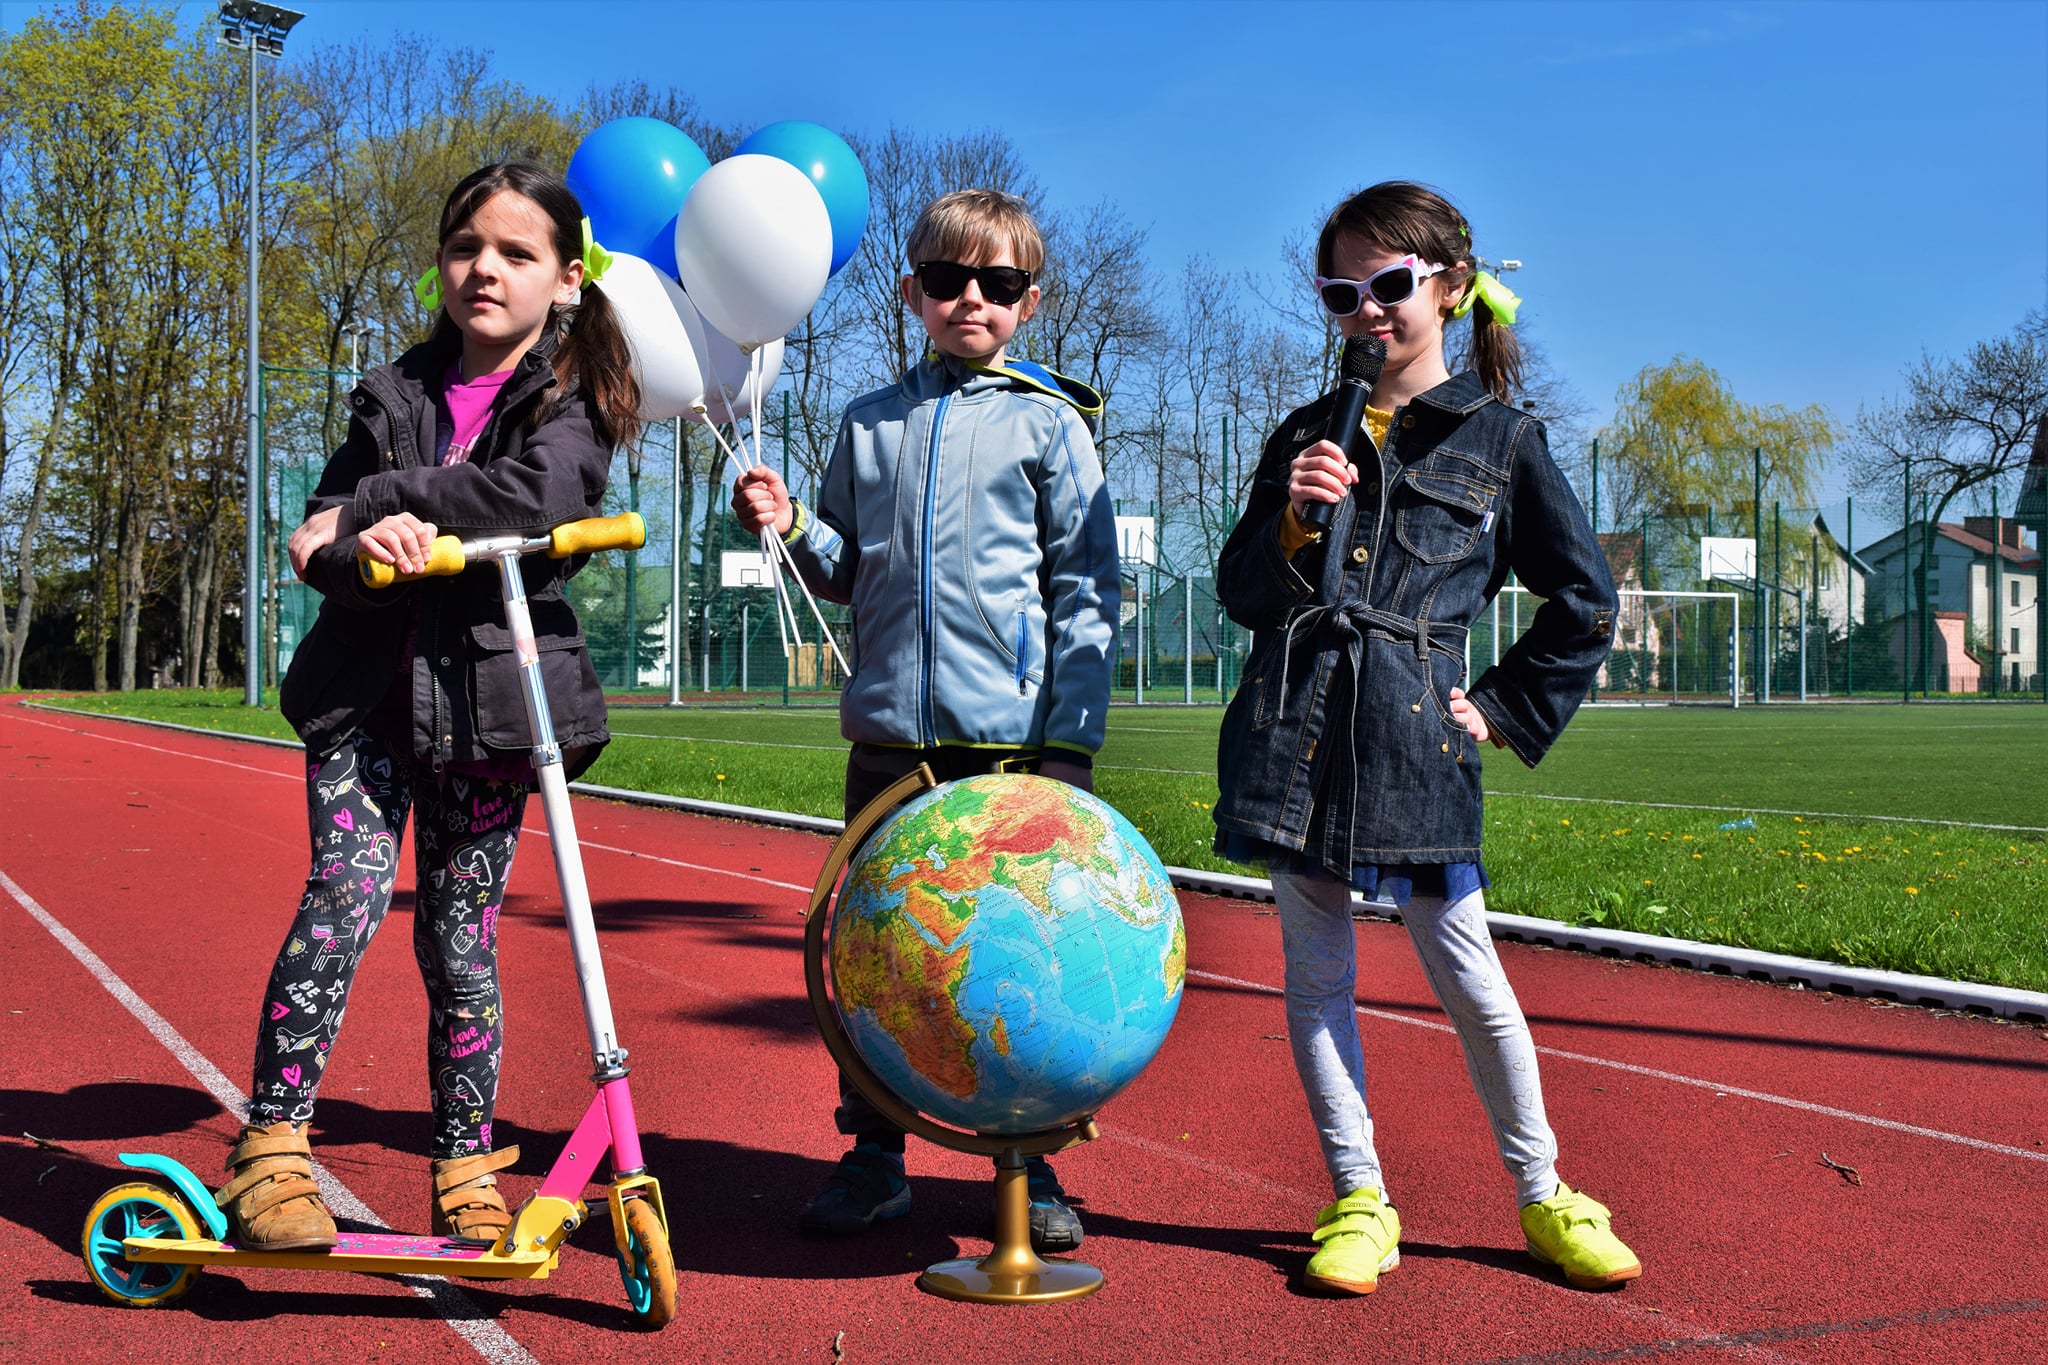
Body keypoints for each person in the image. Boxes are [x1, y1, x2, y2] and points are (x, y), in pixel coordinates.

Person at [1212, 181, 1640, 1296]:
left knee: (1469, 977)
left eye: (1390, 285)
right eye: (1341, 291)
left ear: (1448, 287)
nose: (1368, 310)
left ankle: (1543, 1193)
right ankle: (1358, 1196)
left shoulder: (1503, 440)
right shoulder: (1302, 432)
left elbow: (1583, 601)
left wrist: (1496, 707)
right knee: (1316, 980)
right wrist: (1294, 518)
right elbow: (1242, 593)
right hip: (1291, 726)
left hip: (1414, 734)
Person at [221, 162, 638, 1251]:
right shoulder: (393, 392)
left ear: (563, 281)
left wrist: (383, 503)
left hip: (491, 712)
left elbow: (534, 497)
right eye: (465, 248)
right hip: (365, 702)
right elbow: (321, 540)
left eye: (515, 253)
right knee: (341, 903)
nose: (483, 270)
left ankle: (463, 1158)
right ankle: (272, 1147)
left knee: (461, 943)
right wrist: (365, 550)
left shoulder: (570, 399)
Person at [731, 189, 1119, 1254]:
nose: (970, 302)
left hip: (1007, 750)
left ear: (1027, 303)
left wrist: (1068, 742)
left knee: (1011, 962)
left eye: (996, 286)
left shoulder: (1052, 425)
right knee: (874, 958)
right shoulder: (866, 422)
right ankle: (873, 1158)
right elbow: (845, 573)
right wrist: (787, 523)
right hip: (888, 749)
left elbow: (1086, 589)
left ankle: (1028, 1161)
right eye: (947, 281)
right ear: (911, 292)